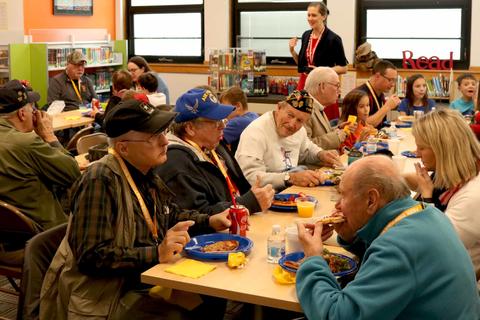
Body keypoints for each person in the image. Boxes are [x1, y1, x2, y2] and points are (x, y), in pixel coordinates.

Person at [40, 98, 231, 320]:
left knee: (209, 300)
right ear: (123, 147)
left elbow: (169, 214)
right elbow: (91, 256)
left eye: (164, 132)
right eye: (154, 136)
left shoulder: (146, 171)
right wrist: (157, 253)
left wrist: (209, 220)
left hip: (141, 278)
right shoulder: (100, 180)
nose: (165, 141)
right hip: (105, 295)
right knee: (182, 313)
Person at [296, 155, 480, 319]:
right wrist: (352, 236)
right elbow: (388, 259)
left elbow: (336, 314)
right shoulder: (426, 213)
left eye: (343, 195)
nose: (338, 205)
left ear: (371, 200)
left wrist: (313, 258)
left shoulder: (398, 248)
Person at [155, 88, 274, 216]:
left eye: (223, 120)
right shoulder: (176, 161)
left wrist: (255, 197)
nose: (223, 126)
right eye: (216, 122)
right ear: (190, 128)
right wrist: (247, 203)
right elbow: (198, 216)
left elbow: (242, 188)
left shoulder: (214, 146)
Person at [403, 109, 480, 276]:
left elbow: (434, 244)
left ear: (443, 149)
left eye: (422, 147)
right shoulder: (461, 171)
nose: (416, 153)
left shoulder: (473, 196)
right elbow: (416, 180)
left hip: (451, 277)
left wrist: (426, 197)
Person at [0, 80, 80, 232]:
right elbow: (73, 173)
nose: (36, 112)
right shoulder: (26, 142)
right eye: (33, 107)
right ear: (22, 114)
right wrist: (49, 136)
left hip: (8, 230)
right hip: (42, 230)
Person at [235, 90, 341, 191]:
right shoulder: (256, 132)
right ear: (279, 108)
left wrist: (321, 154)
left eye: (299, 120)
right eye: (290, 115)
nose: (292, 124)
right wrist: (290, 178)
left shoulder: (300, 131)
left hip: (290, 192)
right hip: (261, 200)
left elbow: (307, 149)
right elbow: (252, 177)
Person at [289, 2, 348, 90]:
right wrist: (292, 50)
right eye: (308, 15)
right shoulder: (306, 35)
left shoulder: (333, 39)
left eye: (314, 15)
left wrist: (320, 71)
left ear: (324, 16)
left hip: (323, 84)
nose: (310, 18)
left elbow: (344, 68)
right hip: (305, 82)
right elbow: (302, 65)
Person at [303, 66, 348, 150]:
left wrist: (338, 129)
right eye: (337, 86)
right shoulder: (303, 109)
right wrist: (337, 138)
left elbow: (321, 133)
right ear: (322, 86)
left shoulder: (317, 105)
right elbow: (304, 147)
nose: (340, 91)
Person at [355, 59, 401, 128]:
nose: (393, 84)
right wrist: (387, 107)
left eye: (394, 80)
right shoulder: (360, 95)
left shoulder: (380, 93)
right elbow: (362, 125)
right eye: (390, 80)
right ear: (377, 76)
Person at [219, 86, 258, 153]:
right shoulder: (254, 115)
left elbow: (214, 138)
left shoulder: (237, 123)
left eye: (225, 108)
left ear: (238, 106)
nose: (223, 112)